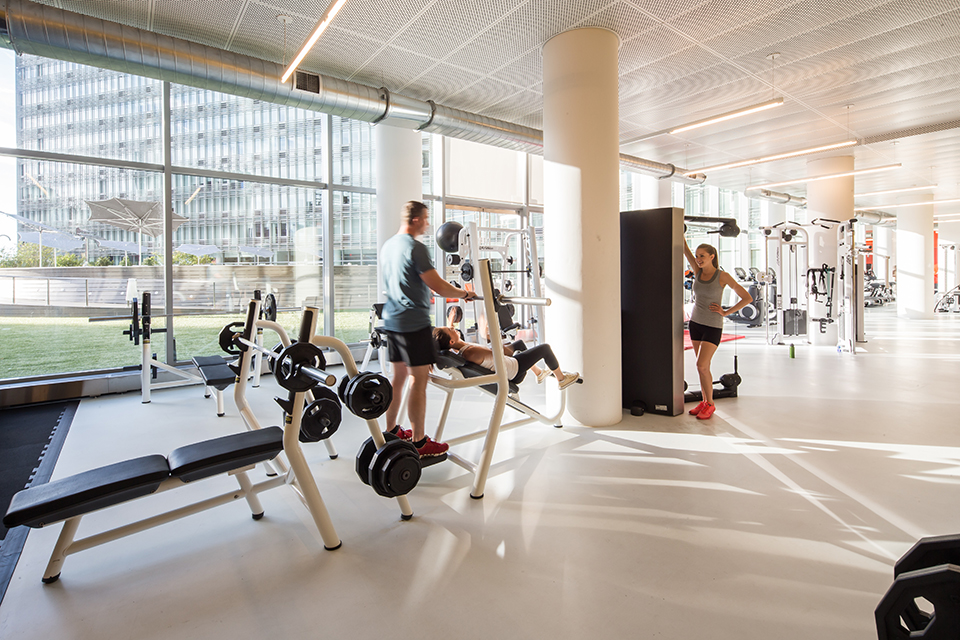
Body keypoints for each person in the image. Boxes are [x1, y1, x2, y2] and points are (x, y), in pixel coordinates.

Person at [380, 201, 475, 458]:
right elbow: (438, 286)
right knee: (418, 381)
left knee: (398, 378)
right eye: (425, 218)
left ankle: (391, 430)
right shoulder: (416, 248)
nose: (427, 223)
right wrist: (464, 294)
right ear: (415, 220)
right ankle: (420, 442)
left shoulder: (388, 246)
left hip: (393, 321)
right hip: (413, 323)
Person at [682, 239, 752, 420]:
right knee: (702, 368)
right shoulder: (697, 271)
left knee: (701, 365)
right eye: (697, 256)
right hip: (695, 324)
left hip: (712, 326)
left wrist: (726, 312)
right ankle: (704, 402)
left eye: (702, 256)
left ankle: (711, 404)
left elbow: (747, 298)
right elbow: (686, 250)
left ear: (712, 257)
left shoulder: (723, 276)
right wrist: (681, 234)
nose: (698, 259)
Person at [432, 326, 580, 390]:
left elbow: (450, 340)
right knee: (545, 349)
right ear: (451, 342)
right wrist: (491, 334)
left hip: (509, 365)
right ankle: (562, 380)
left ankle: (539, 373)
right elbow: (503, 353)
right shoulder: (471, 352)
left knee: (519, 344)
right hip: (514, 370)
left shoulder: (461, 348)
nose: (453, 328)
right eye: (450, 329)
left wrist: (450, 323)